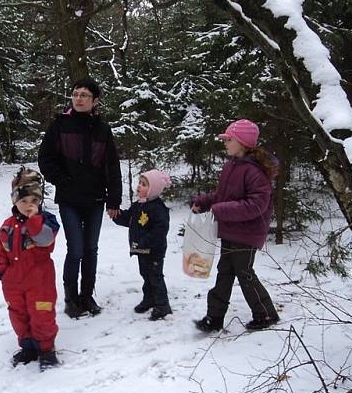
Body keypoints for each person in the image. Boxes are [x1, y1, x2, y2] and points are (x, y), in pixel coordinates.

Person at [38, 78, 122, 318]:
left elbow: (111, 166)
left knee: (91, 249)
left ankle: (87, 296)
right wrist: (63, 180)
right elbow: (45, 158)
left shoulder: (102, 129)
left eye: (84, 95)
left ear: (95, 100)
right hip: (69, 199)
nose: (78, 98)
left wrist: (113, 199)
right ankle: (70, 297)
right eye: (76, 94)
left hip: (95, 198)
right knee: (75, 248)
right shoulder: (60, 124)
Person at [192, 119, 279, 332]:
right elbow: (223, 196)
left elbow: (256, 204)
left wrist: (220, 210)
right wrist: (204, 202)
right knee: (225, 272)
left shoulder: (255, 171)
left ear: (241, 142)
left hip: (247, 233)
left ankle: (266, 314)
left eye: (229, 139)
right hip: (231, 230)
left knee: (245, 273)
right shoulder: (232, 166)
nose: (225, 143)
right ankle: (214, 317)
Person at [0, 167, 61, 370]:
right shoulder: (7, 225)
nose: (29, 205)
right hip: (14, 282)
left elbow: (45, 240)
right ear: (15, 201)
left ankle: (46, 349)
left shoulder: (46, 221)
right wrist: (3, 272)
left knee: (42, 313)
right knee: (18, 315)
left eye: (34, 201)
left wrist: (34, 220)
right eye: (24, 201)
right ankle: (28, 346)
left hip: (40, 280)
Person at [113, 169, 172, 321]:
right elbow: (128, 219)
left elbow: (160, 230)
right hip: (141, 249)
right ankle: (149, 299)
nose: (139, 186)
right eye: (139, 183)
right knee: (146, 274)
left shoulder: (158, 208)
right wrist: (116, 215)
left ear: (153, 189)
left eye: (144, 184)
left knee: (155, 276)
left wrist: (145, 241)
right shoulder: (138, 205)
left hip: (153, 251)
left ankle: (162, 305)